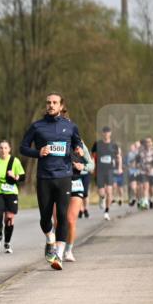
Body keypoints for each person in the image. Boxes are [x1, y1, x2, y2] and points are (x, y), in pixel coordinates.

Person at [19, 91, 83, 270]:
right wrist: (38, 152)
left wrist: (77, 149)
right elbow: (23, 148)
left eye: (55, 102)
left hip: (64, 176)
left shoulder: (70, 126)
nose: (51, 105)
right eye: (48, 102)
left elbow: (77, 143)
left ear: (61, 106)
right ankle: (50, 239)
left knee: (62, 217)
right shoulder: (37, 126)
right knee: (45, 218)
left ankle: (59, 256)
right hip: (44, 177)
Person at [62, 109, 94, 262]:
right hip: (59, 184)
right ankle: (55, 248)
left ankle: (68, 250)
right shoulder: (55, 144)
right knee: (57, 221)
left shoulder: (81, 145)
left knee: (70, 220)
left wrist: (83, 167)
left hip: (75, 183)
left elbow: (92, 165)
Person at [91, 126, 122, 220]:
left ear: (110, 133)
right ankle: (102, 198)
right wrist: (92, 166)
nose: (106, 134)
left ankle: (106, 212)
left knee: (109, 191)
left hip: (109, 170)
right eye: (104, 132)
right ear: (102, 133)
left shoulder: (114, 145)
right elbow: (92, 156)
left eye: (108, 132)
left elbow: (118, 157)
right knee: (101, 192)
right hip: (100, 170)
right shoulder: (97, 144)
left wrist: (120, 168)